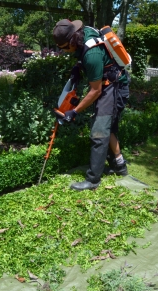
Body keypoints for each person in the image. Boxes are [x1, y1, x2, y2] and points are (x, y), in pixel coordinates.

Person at [52, 19, 130, 191]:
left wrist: (74, 111)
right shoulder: (83, 34)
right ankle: (120, 166)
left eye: (64, 47)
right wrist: (78, 67)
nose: (64, 51)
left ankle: (93, 180)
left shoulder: (91, 55)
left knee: (99, 131)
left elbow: (95, 91)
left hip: (113, 87)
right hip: (110, 83)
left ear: (73, 40)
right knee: (109, 128)